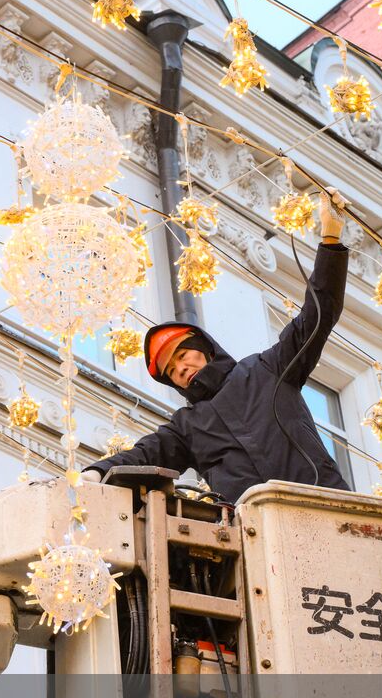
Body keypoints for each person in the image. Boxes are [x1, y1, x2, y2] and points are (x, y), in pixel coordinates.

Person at [83, 189, 351, 504]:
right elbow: (145, 454)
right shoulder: (188, 426)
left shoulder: (266, 370)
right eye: (171, 370)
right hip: (257, 532)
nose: (180, 369)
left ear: (207, 349)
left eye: (182, 355)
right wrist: (97, 472)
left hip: (326, 503)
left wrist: (331, 239)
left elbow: (316, 317)